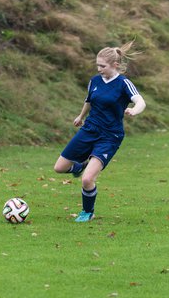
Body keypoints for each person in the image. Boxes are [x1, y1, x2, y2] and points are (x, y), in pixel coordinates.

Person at [54, 40, 146, 222]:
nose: (98, 69)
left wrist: (134, 110)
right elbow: (89, 101)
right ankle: (79, 166)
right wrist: (80, 117)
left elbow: (141, 101)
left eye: (102, 66)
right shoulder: (95, 81)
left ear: (115, 65)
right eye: (97, 65)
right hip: (89, 129)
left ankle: (87, 212)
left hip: (110, 136)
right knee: (59, 168)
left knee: (87, 180)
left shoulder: (123, 83)